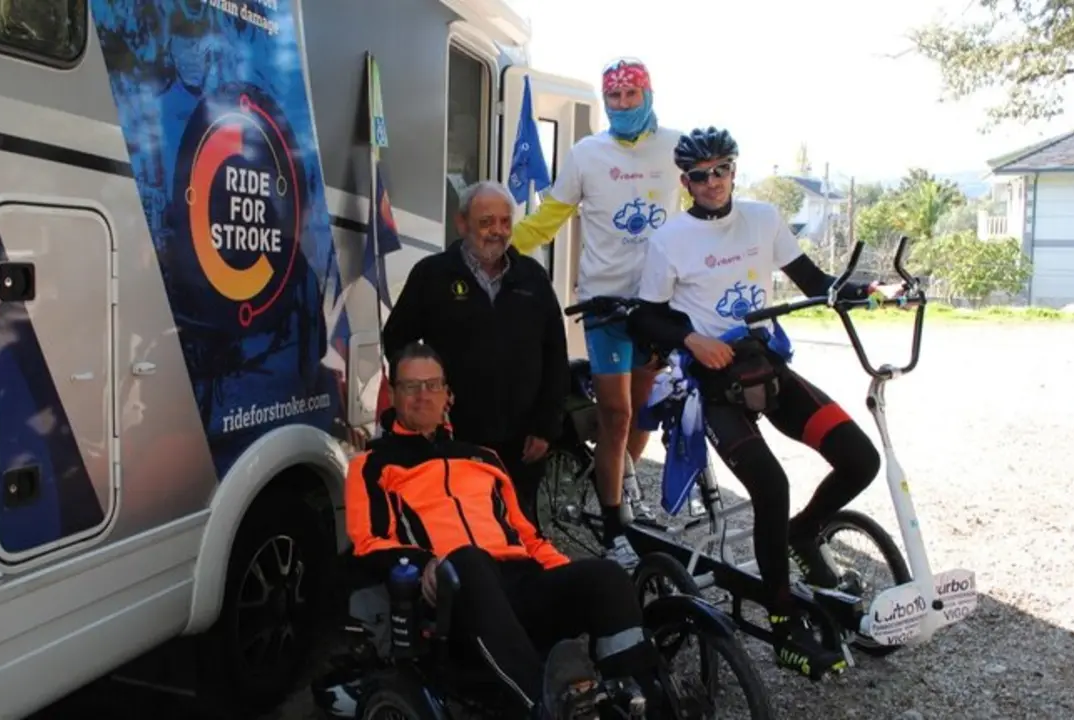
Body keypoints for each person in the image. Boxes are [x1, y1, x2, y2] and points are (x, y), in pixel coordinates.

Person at [633, 125, 904, 679]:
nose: (712, 182)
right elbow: (645, 316)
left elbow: (814, 280)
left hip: (765, 366)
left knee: (861, 459)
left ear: (734, 170)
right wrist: (690, 338)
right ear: (685, 183)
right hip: (713, 385)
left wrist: (872, 291)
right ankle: (784, 622)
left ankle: (804, 532)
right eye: (699, 175)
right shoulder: (669, 239)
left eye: (721, 170)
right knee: (770, 485)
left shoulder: (762, 219)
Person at [345, 342, 667, 719]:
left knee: (606, 576)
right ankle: (540, 705)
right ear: (394, 394)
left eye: (432, 385)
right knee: (467, 559)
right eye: (410, 387)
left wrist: (562, 574)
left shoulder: (483, 458)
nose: (422, 397)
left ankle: (639, 699)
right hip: (450, 599)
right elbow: (368, 543)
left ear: (448, 395)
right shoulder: (373, 464)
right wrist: (425, 563)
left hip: (518, 583)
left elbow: (526, 533)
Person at [509, 58, 683, 566]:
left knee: (643, 411)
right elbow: (549, 218)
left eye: (631, 96)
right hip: (605, 302)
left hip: (656, 301)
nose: (623, 106)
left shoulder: (675, 147)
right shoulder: (587, 153)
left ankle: (620, 488)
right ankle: (613, 524)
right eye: (614, 99)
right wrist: (496, 245)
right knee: (617, 412)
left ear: (649, 95)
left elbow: (707, 209)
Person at [382, 180, 569, 530]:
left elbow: (556, 356)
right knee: (459, 530)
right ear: (462, 223)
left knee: (518, 533)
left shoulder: (533, 279)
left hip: (521, 443)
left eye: (504, 222)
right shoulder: (432, 275)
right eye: (486, 223)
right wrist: (423, 404)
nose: (497, 232)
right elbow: (397, 341)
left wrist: (546, 427)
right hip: (454, 437)